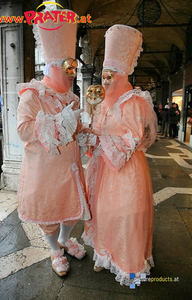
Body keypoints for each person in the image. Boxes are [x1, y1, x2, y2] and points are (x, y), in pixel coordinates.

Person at [82, 24, 158, 286]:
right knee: (102, 211)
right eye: (104, 74)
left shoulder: (135, 102)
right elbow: (97, 132)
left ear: (124, 73)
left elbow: (133, 138)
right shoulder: (101, 102)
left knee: (126, 212)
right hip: (103, 168)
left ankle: (128, 263)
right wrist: (88, 131)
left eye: (111, 74)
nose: (106, 80)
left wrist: (100, 138)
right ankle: (104, 254)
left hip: (126, 171)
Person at [16, 10, 90, 277]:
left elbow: (76, 127)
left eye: (74, 68)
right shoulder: (33, 94)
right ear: (54, 66)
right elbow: (24, 129)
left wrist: (88, 133)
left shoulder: (71, 96)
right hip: (44, 171)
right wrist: (59, 122)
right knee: (48, 212)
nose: (71, 73)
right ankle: (55, 250)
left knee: (72, 210)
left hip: (69, 167)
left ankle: (65, 239)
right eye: (68, 68)